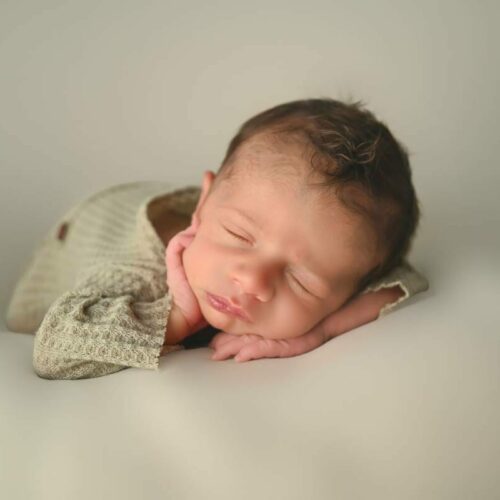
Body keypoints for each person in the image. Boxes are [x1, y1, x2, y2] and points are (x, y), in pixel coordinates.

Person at [5, 97, 429, 380]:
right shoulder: (135, 277)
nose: (253, 281)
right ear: (204, 202)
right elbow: (54, 351)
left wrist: (319, 333)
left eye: (303, 281)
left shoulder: (329, 250)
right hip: (82, 234)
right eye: (239, 235)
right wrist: (177, 321)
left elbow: (405, 279)